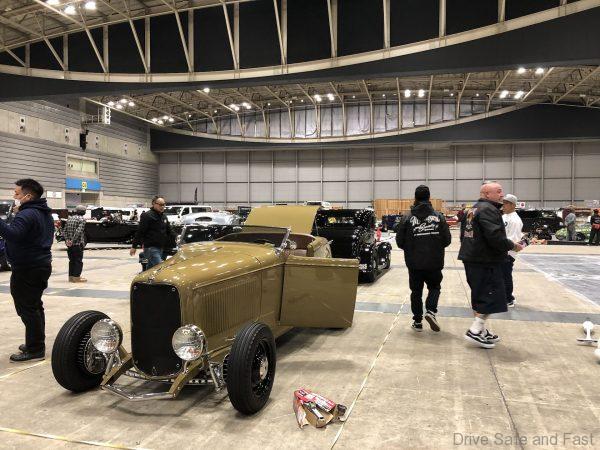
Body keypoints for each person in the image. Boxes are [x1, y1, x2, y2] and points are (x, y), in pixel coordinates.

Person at [459, 182, 523, 349]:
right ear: (487, 194)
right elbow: (495, 237)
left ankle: (481, 330)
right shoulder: (488, 210)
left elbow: (463, 235)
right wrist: (513, 246)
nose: (502, 195)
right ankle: (475, 330)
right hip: (485, 260)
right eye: (499, 191)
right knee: (492, 295)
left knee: (480, 295)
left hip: (472, 257)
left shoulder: (473, 209)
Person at [0, 179, 54, 362]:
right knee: (34, 306)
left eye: (17, 193)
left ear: (28, 196)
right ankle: (35, 342)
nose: (14, 196)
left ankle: (35, 348)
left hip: (28, 268)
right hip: (39, 266)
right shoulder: (42, 212)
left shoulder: (28, 213)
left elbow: (13, 235)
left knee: (27, 308)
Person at [396, 185, 451, 332]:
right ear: (429, 197)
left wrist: (412, 248)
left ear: (415, 198)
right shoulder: (439, 217)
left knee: (416, 291)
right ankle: (431, 311)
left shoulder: (407, 217)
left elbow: (399, 241)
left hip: (414, 263)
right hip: (434, 261)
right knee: (434, 287)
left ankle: (417, 321)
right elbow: (447, 240)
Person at [130, 196, 173, 269]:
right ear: (154, 204)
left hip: (161, 248)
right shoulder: (147, 216)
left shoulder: (164, 217)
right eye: (160, 205)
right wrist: (134, 246)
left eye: (164, 204)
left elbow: (170, 231)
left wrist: (175, 242)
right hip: (151, 248)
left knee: (150, 270)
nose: (162, 207)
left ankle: (145, 276)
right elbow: (140, 231)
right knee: (160, 268)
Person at [501, 194, 523, 308]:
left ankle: (508, 299)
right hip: (501, 250)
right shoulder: (504, 216)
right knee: (501, 275)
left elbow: (513, 239)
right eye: (503, 203)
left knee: (506, 275)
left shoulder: (515, 220)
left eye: (506, 203)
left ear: (513, 205)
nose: (503, 206)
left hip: (508, 252)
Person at [64, 205, 87, 282]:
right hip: (77, 244)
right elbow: (78, 232)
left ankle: (71, 277)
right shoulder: (82, 220)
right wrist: (73, 241)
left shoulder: (69, 218)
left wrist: (67, 240)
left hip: (69, 245)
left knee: (72, 261)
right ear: (83, 212)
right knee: (78, 261)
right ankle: (76, 277)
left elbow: (65, 231)